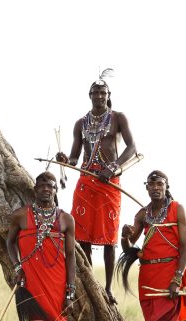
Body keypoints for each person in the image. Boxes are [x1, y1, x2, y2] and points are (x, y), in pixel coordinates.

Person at [56, 75, 136, 305]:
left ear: (109, 96)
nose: (99, 96)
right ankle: (90, 283)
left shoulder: (118, 118)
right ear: (89, 96)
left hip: (108, 183)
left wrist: (114, 167)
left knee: (110, 238)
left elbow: (132, 147)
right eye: (95, 93)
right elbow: (74, 157)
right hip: (86, 182)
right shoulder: (80, 123)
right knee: (83, 238)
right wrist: (65, 160)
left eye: (103, 92)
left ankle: (109, 288)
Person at [117, 170, 186, 321]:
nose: (155, 188)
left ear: (166, 186)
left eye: (159, 184)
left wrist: (177, 278)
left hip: (169, 276)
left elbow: (185, 247)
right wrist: (125, 236)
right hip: (147, 277)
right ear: (146, 187)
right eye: (151, 184)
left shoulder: (177, 210)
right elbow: (129, 248)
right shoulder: (142, 214)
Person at [6, 171, 76, 321]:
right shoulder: (20, 216)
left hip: (57, 283)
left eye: (51, 187)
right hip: (32, 281)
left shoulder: (66, 219)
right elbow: (10, 243)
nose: (46, 189)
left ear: (55, 191)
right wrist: (17, 266)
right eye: (42, 186)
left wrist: (70, 292)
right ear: (35, 190)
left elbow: (70, 257)